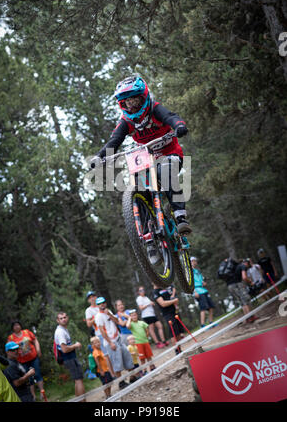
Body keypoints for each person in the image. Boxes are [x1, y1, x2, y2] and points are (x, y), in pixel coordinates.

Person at [90, 75, 191, 266]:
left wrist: (179, 126)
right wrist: (100, 156)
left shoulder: (154, 108)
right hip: (147, 158)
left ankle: (180, 216)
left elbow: (171, 117)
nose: (132, 106)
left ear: (143, 97)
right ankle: (150, 239)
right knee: (140, 188)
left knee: (166, 171)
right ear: (123, 104)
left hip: (170, 153)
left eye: (135, 100)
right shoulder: (126, 121)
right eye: (128, 102)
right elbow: (115, 141)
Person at [94, 297, 134, 390]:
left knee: (127, 356)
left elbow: (117, 321)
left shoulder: (109, 311)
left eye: (103, 302)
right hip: (110, 341)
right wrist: (110, 342)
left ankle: (132, 377)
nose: (102, 305)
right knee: (117, 363)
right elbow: (102, 331)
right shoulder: (98, 316)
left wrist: (110, 315)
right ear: (98, 305)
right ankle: (121, 382)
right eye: (100, 304)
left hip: (118, 338)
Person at [7, 321, 44, 400]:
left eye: (18, 325)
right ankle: (32, 396)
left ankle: (42, 392)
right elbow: (8, 348)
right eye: (15, 325)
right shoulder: (11, 338)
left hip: (33, 357)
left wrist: (38, 350)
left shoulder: (26, 332)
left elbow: (35, 340)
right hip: (22, 361)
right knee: (28, 378)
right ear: (12, 328)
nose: (17, 327)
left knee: (37, 374)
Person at [54, 311, 86, 398]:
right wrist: (75, 345)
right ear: (58, 320)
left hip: (70, 358)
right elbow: (64, 349)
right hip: (69, 358)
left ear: (67, 318)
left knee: (77, 380)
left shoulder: (64, 329)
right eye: (61, 318)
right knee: (79, 381)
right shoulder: (60, 332)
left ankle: (78, 400)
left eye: (64, 317)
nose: (63, 320)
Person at [221, 258, 258, 323]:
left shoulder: (234, 267)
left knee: (241, 301)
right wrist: (250, 282)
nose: (247, 267)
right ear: (246, 263)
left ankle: (247, 317)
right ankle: (251, 317)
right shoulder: (243, 266)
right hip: (237, 284)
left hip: (230, 286)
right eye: (248, 266)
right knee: (246, 300)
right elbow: (244, 277)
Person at [153, 284, 185, 354]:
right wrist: (173, 301)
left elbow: (172, 295)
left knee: (179, 331)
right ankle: (176, 350)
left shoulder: (165, 288)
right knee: (173, 332)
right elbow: (163, 303)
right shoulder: (155, 292)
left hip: (175, 311)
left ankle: (179, 348)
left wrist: (175, 303)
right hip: (168, 314)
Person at [191, 257, 215, 327]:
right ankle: (202, 324)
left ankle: (211, 322)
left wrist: (203, 283)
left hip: (204, 290)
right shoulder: (189, 272)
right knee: (203, 308)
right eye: (194, 261)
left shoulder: (197, 271)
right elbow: (190, 283)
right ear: (191, 262)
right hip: (197, 291)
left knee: (211, 306)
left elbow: (201, 280)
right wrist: (194, 292)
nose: (196, 262)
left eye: (196, 261)